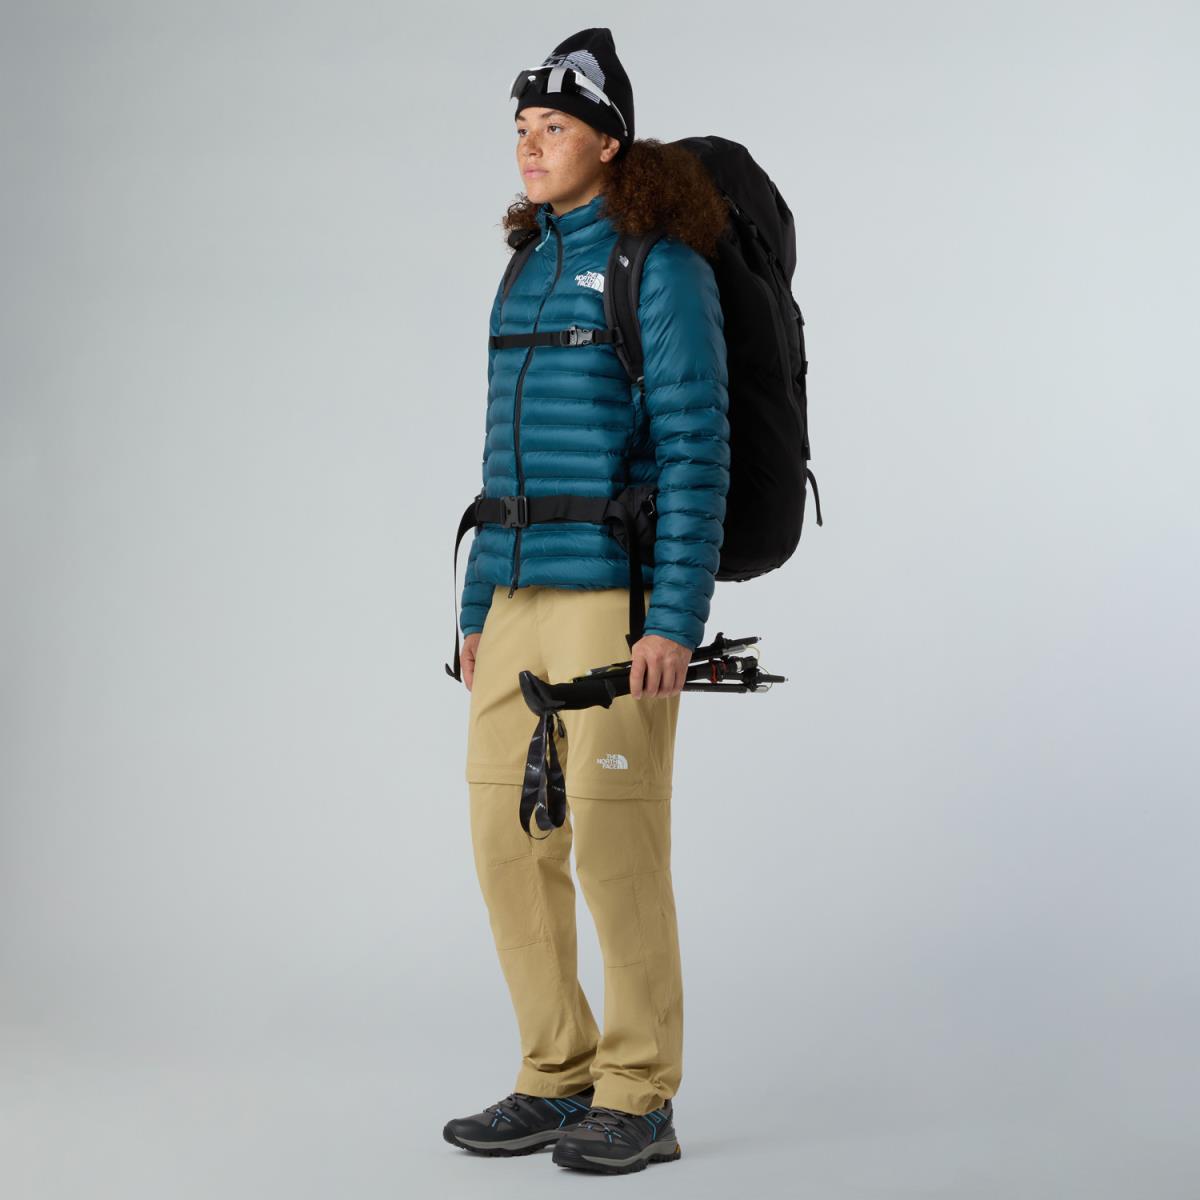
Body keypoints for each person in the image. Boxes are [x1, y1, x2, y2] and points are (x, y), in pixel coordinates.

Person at [442, 27, 730, 1176]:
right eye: (521, 129)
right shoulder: (527, 263)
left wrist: (674, 620)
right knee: (505, 842)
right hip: (517, 592)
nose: (529, 146)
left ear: (610, 142)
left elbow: (697, 447)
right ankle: (555, 1072)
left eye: (553, 127)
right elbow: (498, 456)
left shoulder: (661, 268)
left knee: (615, 844)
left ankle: (639, 1093)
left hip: (617, 596)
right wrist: (477, 604)